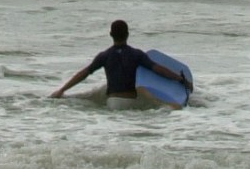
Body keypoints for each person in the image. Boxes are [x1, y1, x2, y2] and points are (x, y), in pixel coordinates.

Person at [49, 19, 192, 109]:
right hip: (131, 101)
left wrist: (62, 90)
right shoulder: (137, 54)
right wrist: (180, 79)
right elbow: (159, 70)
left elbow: (83, 74)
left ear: (110, 34)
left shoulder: (104, 56)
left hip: (113, 101)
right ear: (128, 34)